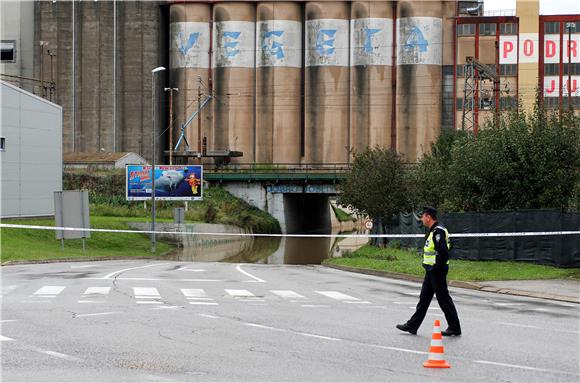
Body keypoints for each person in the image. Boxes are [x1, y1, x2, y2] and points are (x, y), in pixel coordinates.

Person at [396, 206, 462, 336]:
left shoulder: (438, 232)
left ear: (428, 217)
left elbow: (443, 253)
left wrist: (437, 269)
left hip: (437, 271)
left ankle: (455, 327)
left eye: (423, 216)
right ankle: (412, 326)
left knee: (444, 300)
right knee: (424, 299)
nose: (421, 219)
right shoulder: (433, 231)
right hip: (431, 270)